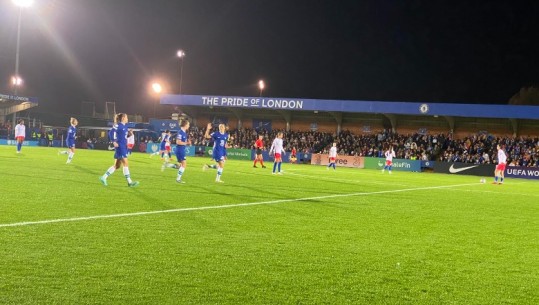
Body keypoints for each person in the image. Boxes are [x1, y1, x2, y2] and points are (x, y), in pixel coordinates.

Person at [99, 113, 139, 187]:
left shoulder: (125, 126)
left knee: (117, 166)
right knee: (126, 164)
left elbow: (123, 136)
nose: (127, 118)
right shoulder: (118, 125)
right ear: (123, 118)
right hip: (120, 147)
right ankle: (130, 182)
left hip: (123, 146)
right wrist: (114, 141)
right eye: (126, 117)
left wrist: (129, 134)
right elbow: (111, 132)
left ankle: (104, 177)